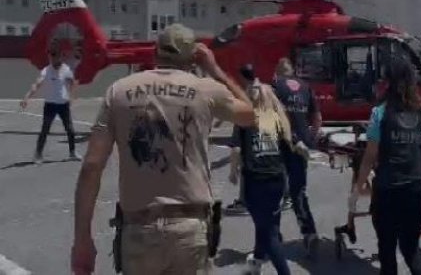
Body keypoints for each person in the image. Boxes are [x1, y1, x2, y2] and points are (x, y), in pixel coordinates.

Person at [70, 24, 255, 275]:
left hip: (138, 229)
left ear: (155, 53)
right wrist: (215, 70)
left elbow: (92, 166)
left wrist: (82, 239)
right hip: (189, 230)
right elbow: (250, 115)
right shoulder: (206, 89)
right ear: (193, 58)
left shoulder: (119, 91)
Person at [350, 56, 421, 275]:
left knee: (387, 250)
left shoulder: (380, 113)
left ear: (389, 82)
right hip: (415, 189)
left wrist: (358, 188)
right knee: (411, 248)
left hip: (388, 190)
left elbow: (369, 156)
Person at [233, 65, 295, 275]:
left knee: (267, 231)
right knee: (268, 224)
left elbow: (237, 149)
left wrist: (233, 173)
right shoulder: (277, 120)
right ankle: (256, 262)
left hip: (255, 181)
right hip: (277, 179)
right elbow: (288, 150)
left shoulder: (245, 119)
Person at [271, 58, 321, 256]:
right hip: (301, 145)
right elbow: (317, 118)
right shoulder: (306, 87)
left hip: (280, 144)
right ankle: (309, 232)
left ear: (277, 73)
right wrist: (311, 138)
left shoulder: (275, 87)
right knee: (298, 190)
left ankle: (274, 236)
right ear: (293, 71)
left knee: (275, 190)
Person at [21, 47, 80, 163]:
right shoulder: (46, 70)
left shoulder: (66, 69)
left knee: (70, 130)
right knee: (45, 130)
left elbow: (72, 82)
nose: (52, 59)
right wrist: (27, 97)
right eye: (50, 57)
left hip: (63, 104)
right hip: (50, 105)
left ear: (60, 57)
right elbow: (37, 84)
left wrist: (71, 96)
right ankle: (38, 155)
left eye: (54, 57)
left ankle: (72, 153)